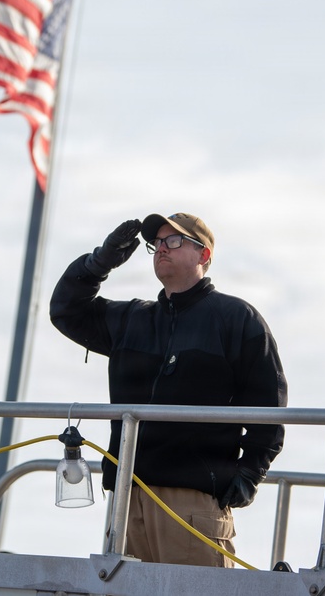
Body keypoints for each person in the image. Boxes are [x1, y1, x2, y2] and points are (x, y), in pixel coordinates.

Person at [49, 213, 287, 567]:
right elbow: (66, 310)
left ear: (204, 256)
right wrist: (99, 262)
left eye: (174, 241)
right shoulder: (132, 319)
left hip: (192, 500)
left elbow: (269, 409)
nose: (161, 248)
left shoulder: (237, 319)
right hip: (128, 499)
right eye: (156, 242)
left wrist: (249, 475)